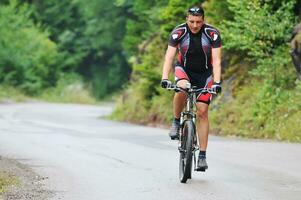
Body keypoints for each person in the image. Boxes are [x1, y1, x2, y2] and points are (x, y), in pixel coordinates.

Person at [160, 5, 222, 172]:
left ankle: (202, 156)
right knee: (181, 88)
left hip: (205, 75)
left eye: (199, 22)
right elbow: (169, 56)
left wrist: (216, 82)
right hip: (184, 70)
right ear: (187, 19)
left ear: (204, 20)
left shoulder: (212, 34)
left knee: (202, 111)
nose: (195, 25)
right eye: (192, 21)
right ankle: (175, 121)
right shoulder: (179, 32)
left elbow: (216, 60)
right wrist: (165, 78)